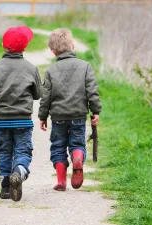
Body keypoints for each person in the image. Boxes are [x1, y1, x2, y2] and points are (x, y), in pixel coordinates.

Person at [0, 26, 43, 201]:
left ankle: (6, 186)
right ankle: (19, 172)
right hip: (23, 120)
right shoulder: (31, 69)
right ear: (25, 47)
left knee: (5, 152)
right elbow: (38, 94)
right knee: (23, 152)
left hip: (2, 120)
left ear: (3, 45)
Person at [38, 28, 101, 191]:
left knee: (58, 146)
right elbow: (92, 91)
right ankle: (78, 158)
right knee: (77, 143)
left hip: (58, 116)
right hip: (78, 115)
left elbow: (46, 96)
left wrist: (43, 116)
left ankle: (61, 181)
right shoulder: (85, 66)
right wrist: (95, 111)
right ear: (73, 46)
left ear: (53, 52)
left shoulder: (51, 70)